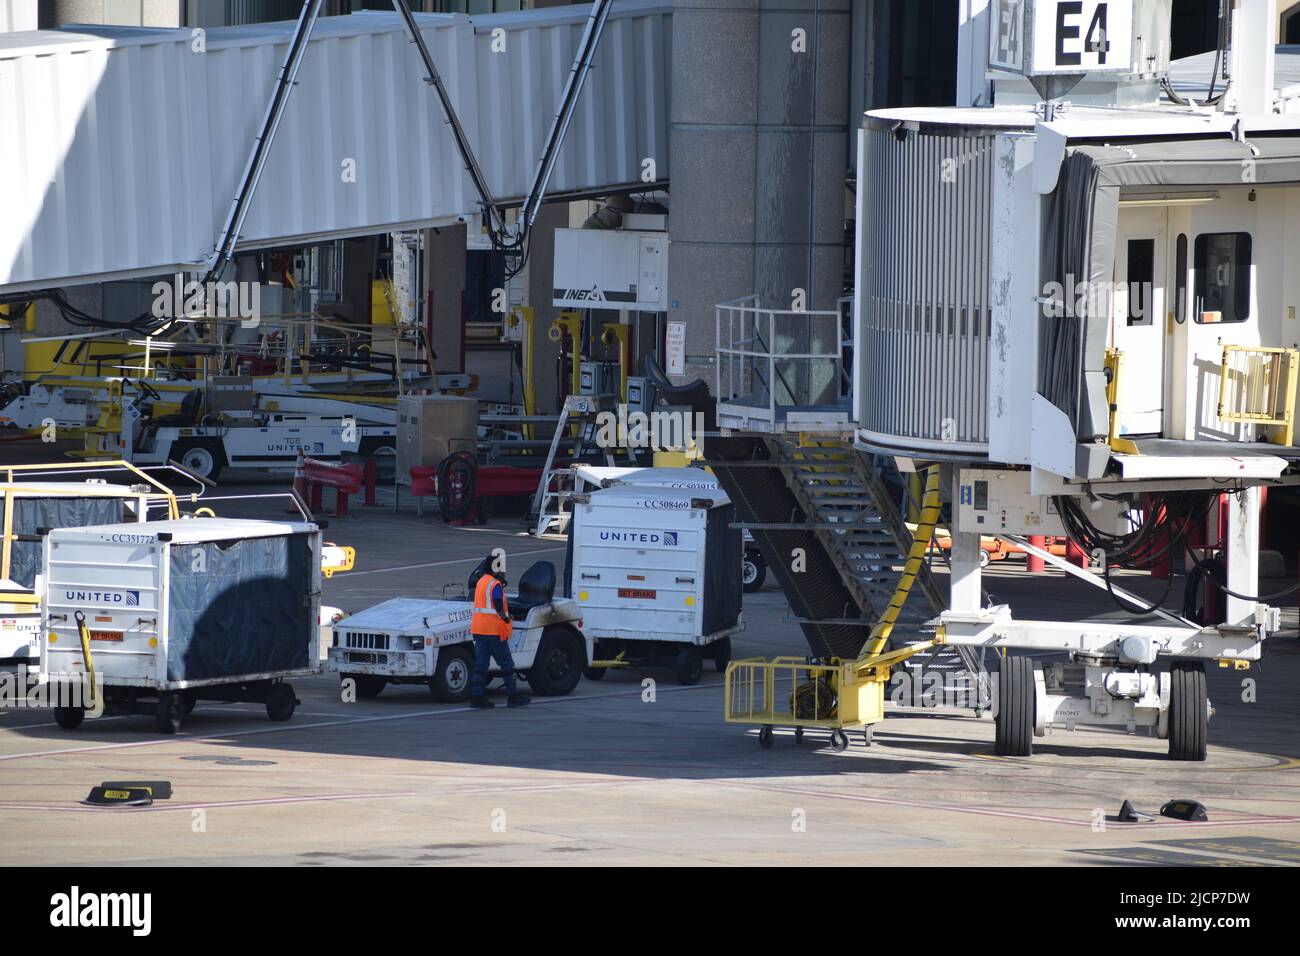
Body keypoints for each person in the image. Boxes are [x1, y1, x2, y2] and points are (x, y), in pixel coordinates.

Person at [469, 557, 530, 709]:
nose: (503, 571)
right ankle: (513, 697)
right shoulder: (494, 584)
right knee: (507, 664)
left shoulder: (482, 581)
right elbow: (497, 604)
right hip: (493, 631)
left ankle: (477, 697)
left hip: (479, 630)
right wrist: (506, 617)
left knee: (480, 666)